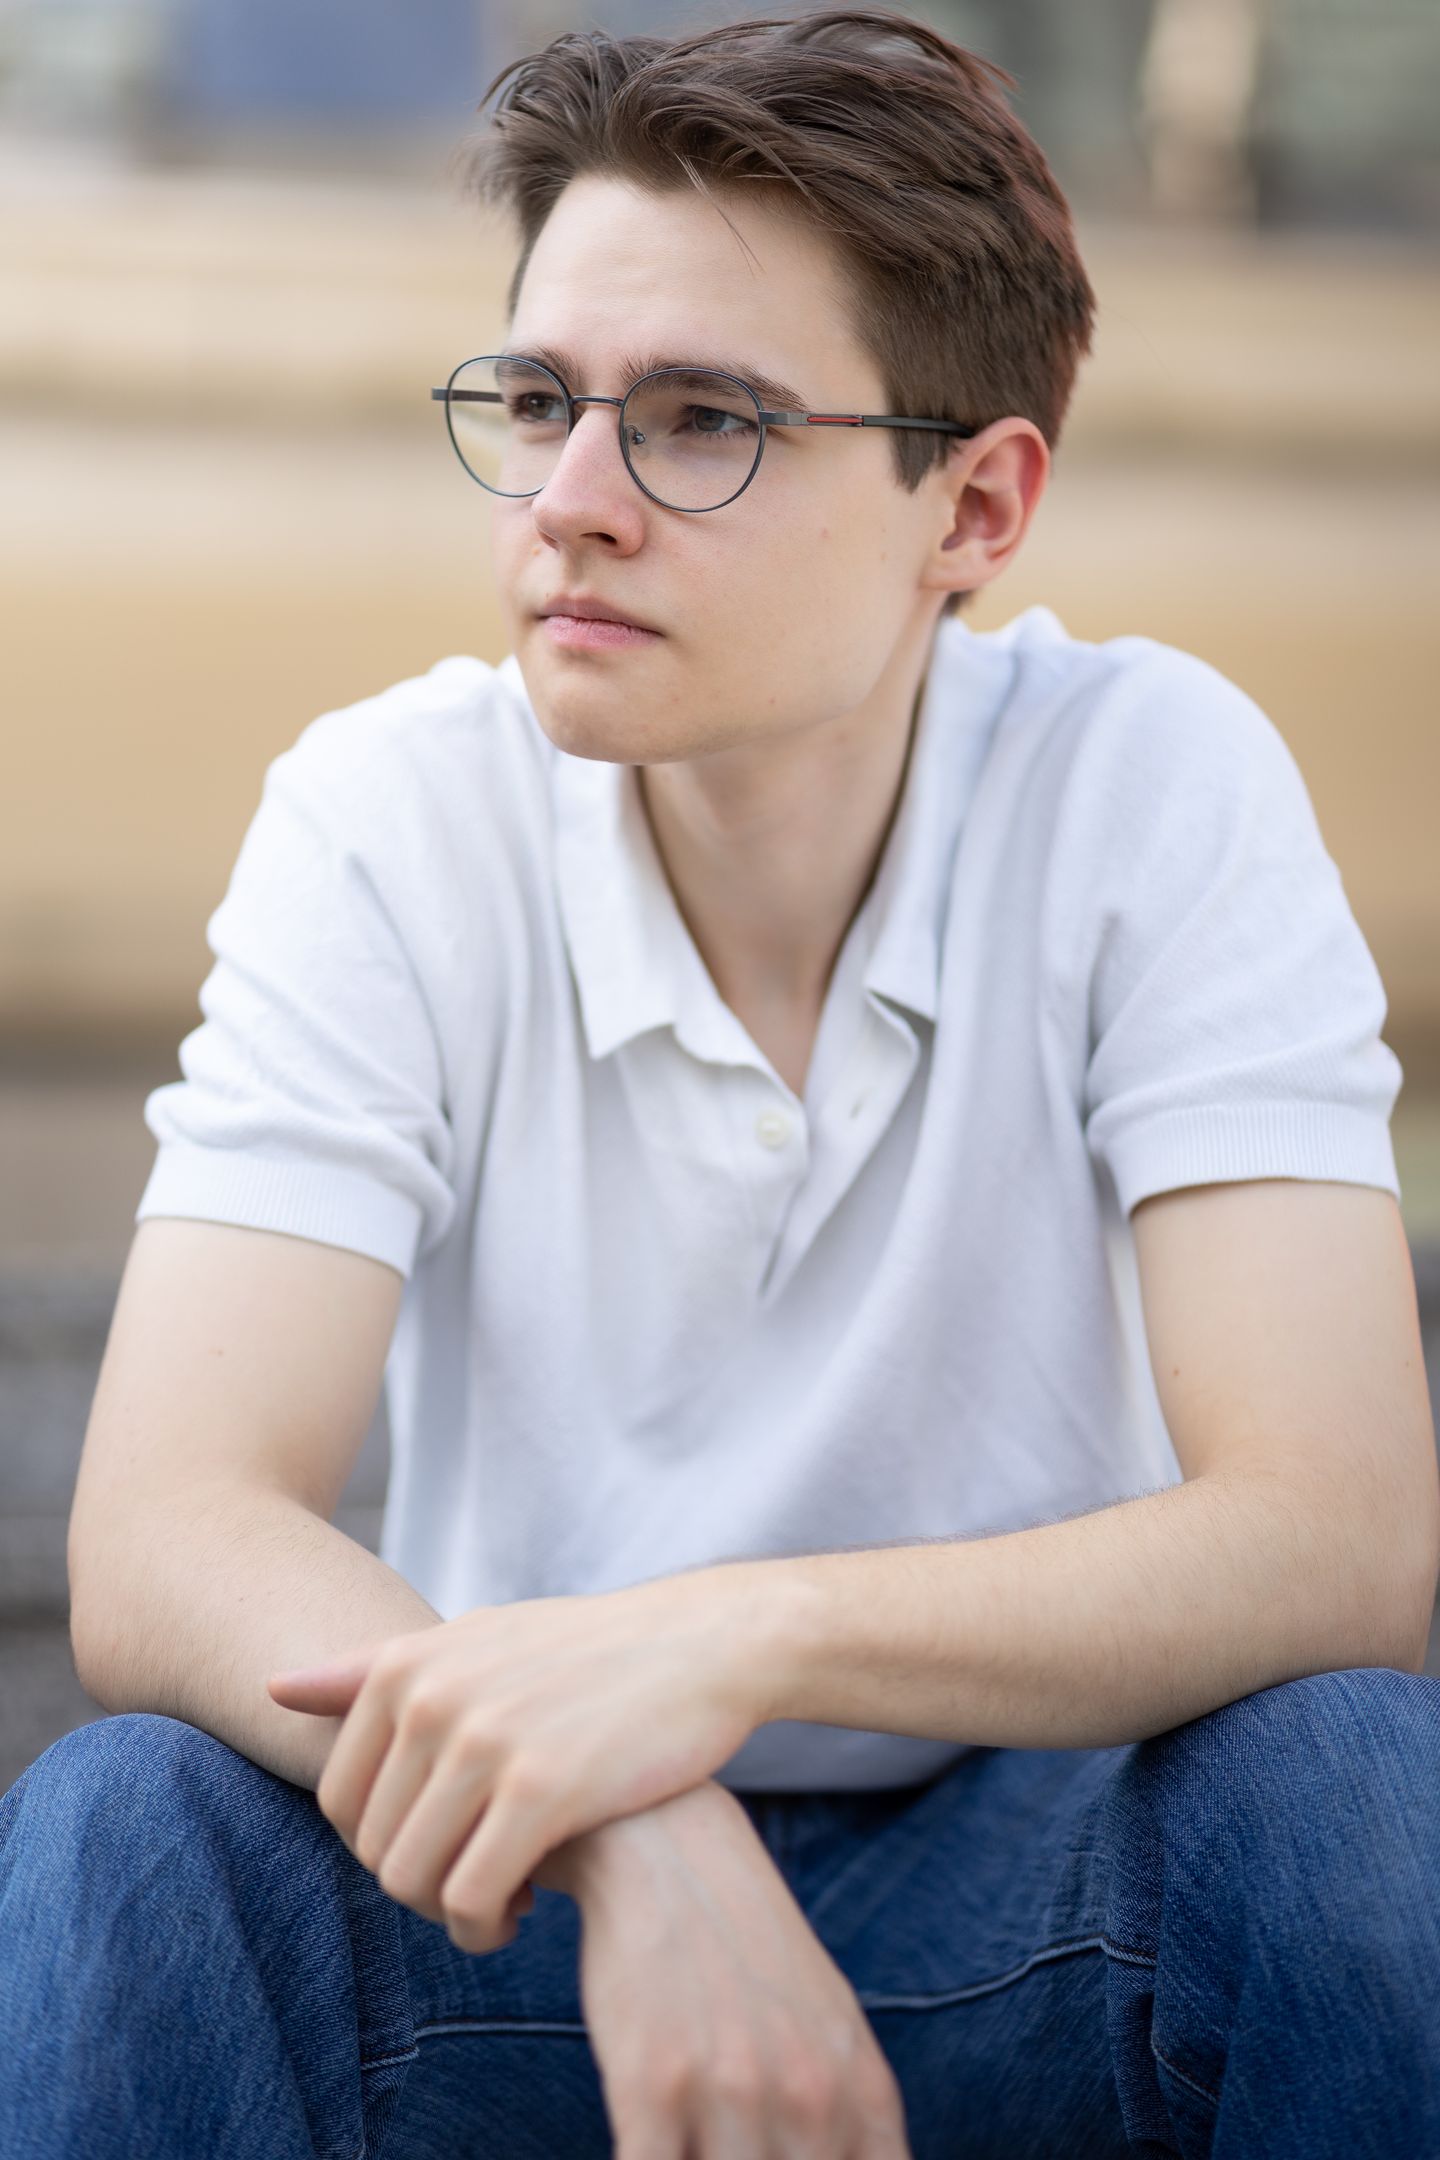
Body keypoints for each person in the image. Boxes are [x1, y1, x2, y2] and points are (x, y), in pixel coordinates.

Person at [3, 9, 1437, 2156]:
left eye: (703, 422)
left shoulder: (1154, 784)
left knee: (1356, 1793)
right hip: (516, 1924)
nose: (573, 507)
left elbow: (1337, 1539)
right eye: (540, 403)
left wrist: (712, 1651)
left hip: (1051, 1906)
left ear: (976, 505)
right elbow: (164, 1533)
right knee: (126, 1828)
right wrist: (631, 1811)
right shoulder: (393, 817)